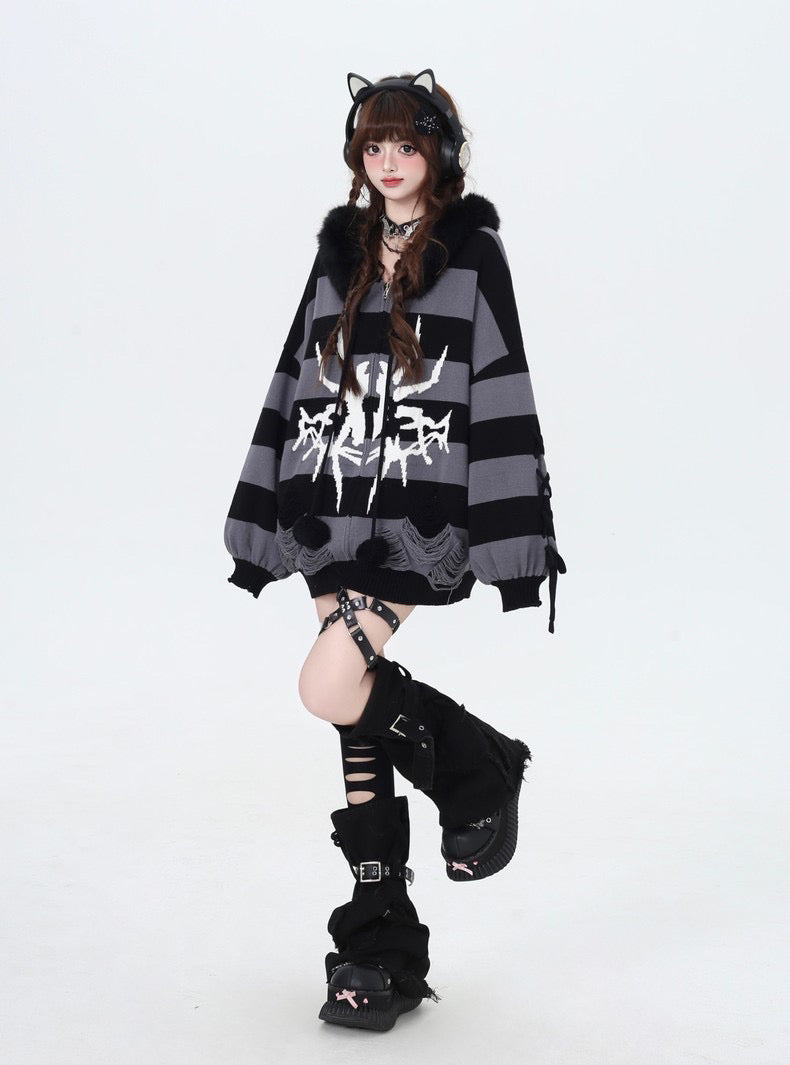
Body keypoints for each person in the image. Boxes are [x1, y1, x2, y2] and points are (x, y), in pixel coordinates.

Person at [223, 68, 567, 1031]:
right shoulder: (340, 251)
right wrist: (264, 508)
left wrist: (512, 539)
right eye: (372, 146)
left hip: (418, 516)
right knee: (354, 723)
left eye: (405, 145)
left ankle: (477, 766)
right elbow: (294, 374)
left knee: (328, 683)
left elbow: (501, 386)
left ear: (438, 154)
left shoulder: (470, 253)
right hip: (327, 505)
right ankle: (380, 946)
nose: (387, 162)